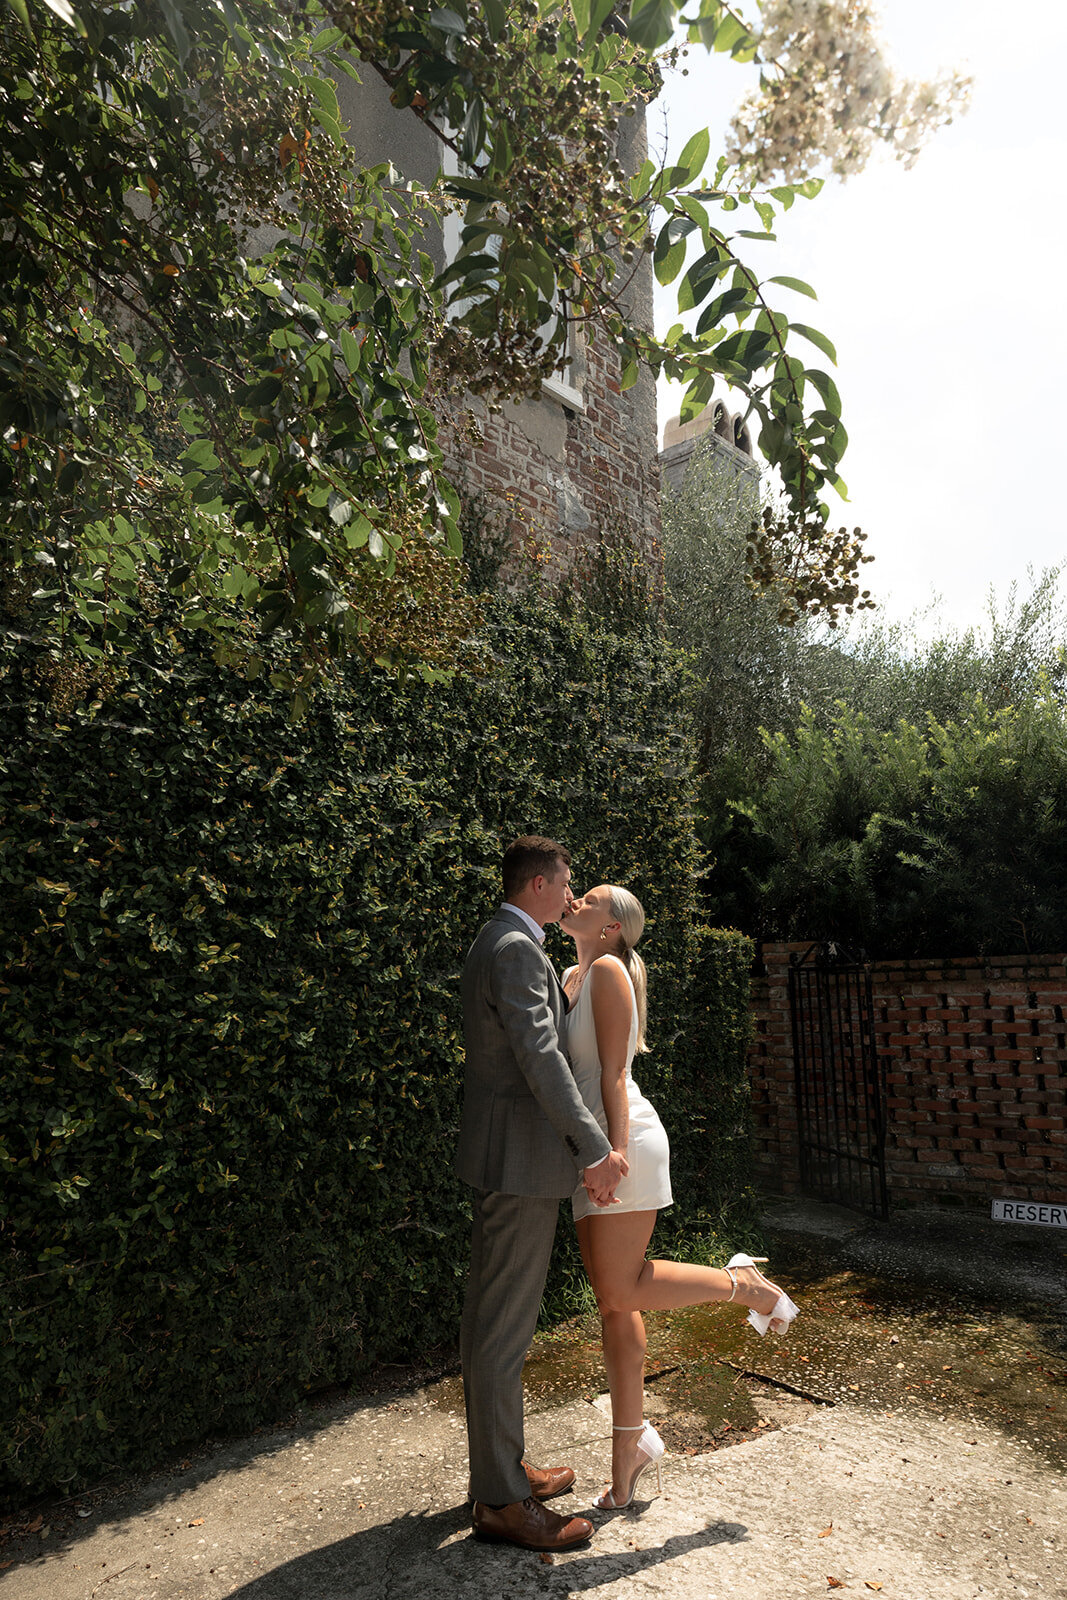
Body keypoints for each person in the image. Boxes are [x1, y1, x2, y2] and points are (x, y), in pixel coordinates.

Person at [560, 882, 800, 1511]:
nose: (574, 900)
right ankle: (628, 1450)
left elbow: (613, 1073)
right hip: (593, 1150)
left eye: (587, 897)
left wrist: (610, 1154)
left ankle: (741, 1285)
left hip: (623, 1143)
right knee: (616, 1306)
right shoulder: (574, 976)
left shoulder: (609, 969)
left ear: (611, 926)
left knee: (620, 1289)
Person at [456, 836, 630, 1552]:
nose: (569, 896)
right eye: (564, 885)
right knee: (501, 1331)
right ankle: (499, 1502)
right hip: (520, 1162)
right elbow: (540, 1059)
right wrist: (594, 1149)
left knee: (495, 1325)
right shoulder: (516, 948)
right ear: (537, 884)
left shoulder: (500, 939)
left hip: (506, 1157)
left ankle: (504, 1470)